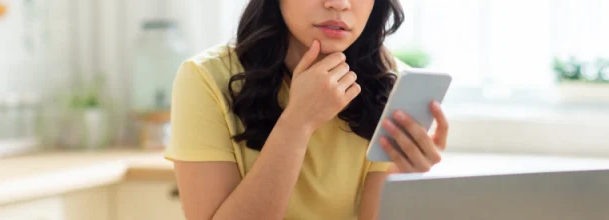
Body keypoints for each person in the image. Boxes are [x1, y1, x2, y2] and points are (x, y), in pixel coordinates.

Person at [165, 0, 449, 219]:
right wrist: (297, 122)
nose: (339, 3)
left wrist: (403, 174)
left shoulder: (393, 85)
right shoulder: (205, 79)